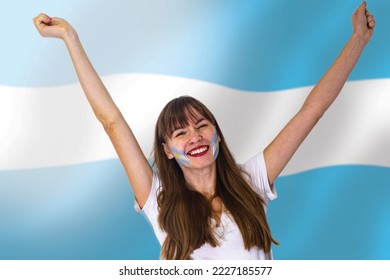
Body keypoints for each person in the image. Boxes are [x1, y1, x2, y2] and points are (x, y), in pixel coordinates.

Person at [33, 2, 375, 260]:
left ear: (218, 135)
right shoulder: (158, 200)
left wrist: (358, 39)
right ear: (167, 150)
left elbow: (311, 111)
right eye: (180, 133)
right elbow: (111, 121)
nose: (194, 136)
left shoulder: (252, 181)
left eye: (202, 125)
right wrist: (69, 38)